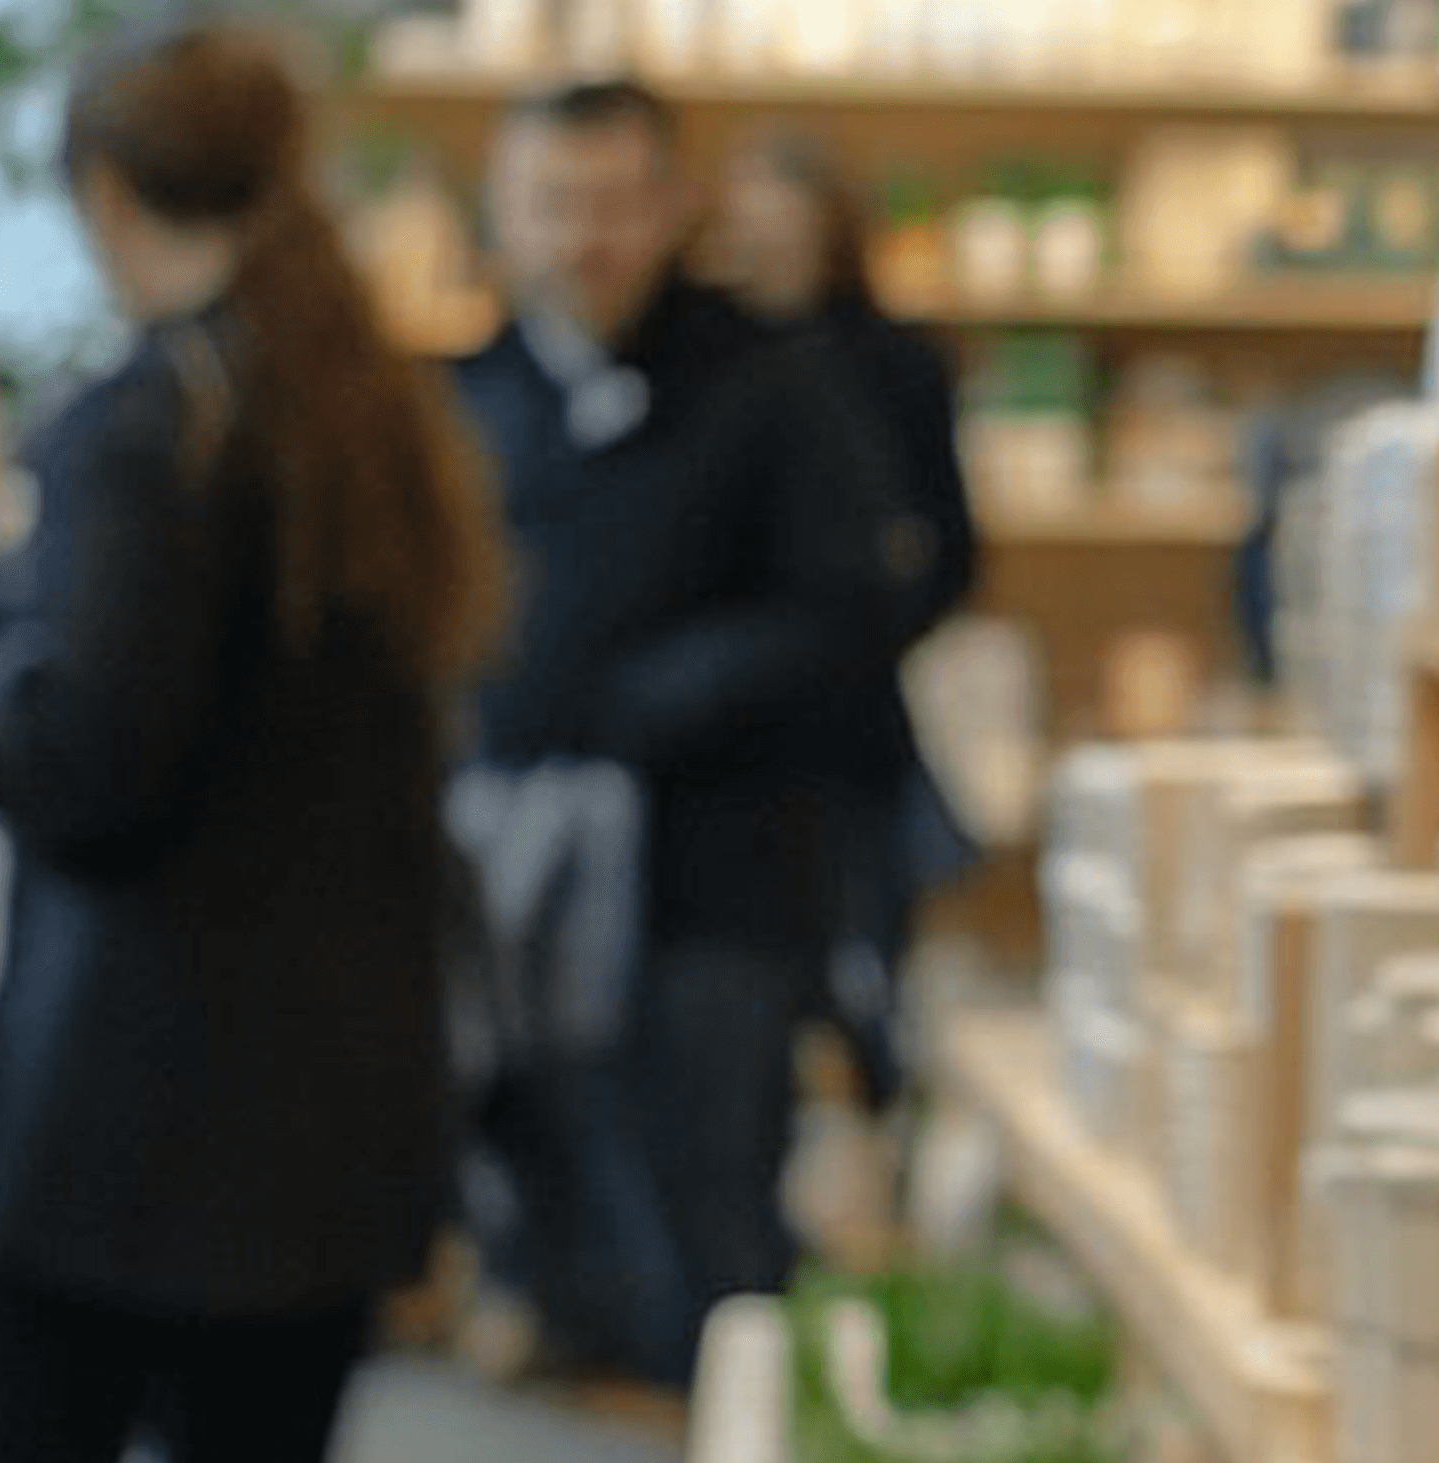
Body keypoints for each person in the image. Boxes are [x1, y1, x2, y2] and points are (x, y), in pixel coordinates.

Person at [0, 21, 508, 1463]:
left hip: (137, 1118)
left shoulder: (151, 419)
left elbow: (85, 757)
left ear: (107, 195)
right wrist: (5, 606)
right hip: (325, 1104)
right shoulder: (346, 402)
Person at [451, 79, 921, 1389]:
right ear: (505, 212)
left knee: (710, 1215)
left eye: (611, 204)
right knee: (544, 1184)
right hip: (520, 876)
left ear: (670, 207)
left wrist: (660, 695)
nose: (582, 239)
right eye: (553, 205)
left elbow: (853, 608)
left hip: (717, 876)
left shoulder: (775, 384)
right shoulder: (480, 393)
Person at [705, 131, 982, 1112]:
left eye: (790, 237)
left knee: (866, 990)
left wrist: (860, 631)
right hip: (727, 753)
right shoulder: (709, 369)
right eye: (750, 237)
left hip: (855, 735)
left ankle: (864, 1181)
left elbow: (953, 552)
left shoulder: (895, 362)